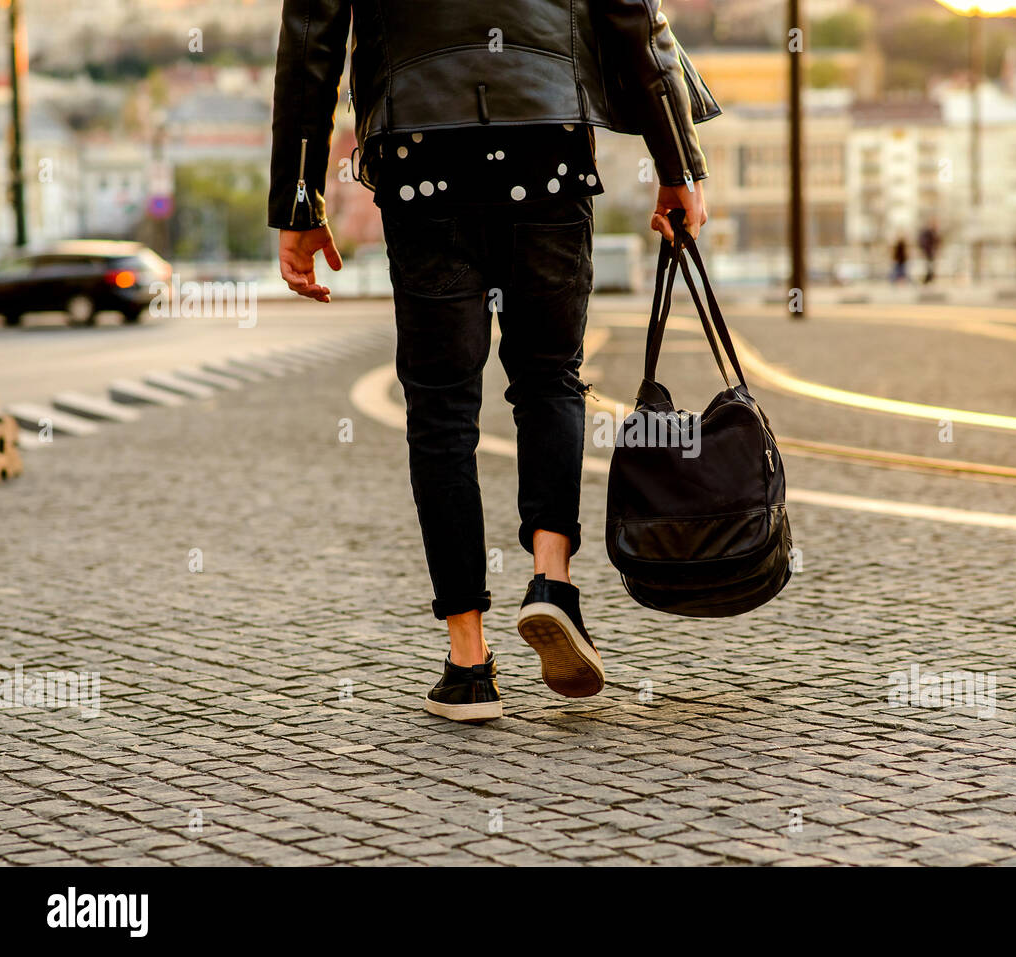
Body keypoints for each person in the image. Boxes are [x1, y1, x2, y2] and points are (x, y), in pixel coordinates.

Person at [269, 1, 719, 722]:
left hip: (421, 152)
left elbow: (310, 40)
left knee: (441, 408)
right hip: (547, 138)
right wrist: (678, 164)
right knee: (549, 378)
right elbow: (632, 14)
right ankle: (551, 582)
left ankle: (469, 663)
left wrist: (298, 199)